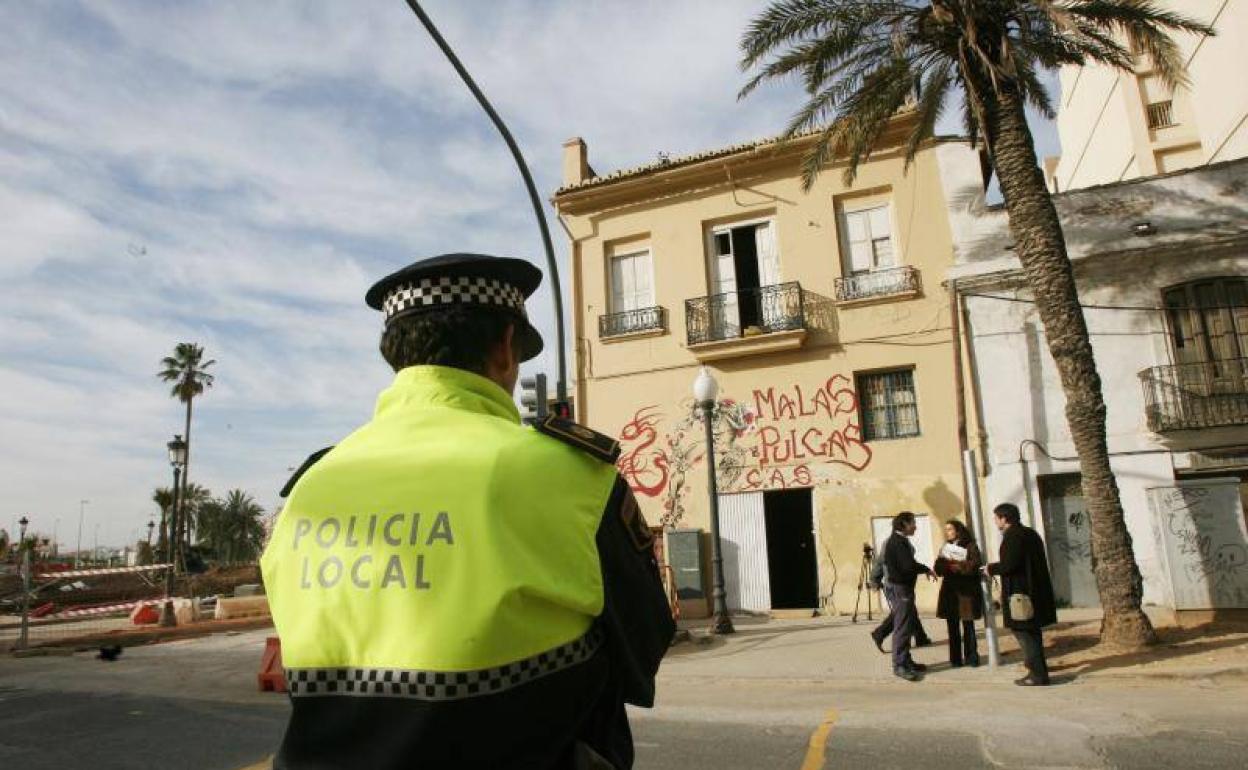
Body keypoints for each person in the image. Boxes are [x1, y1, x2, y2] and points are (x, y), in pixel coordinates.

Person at [260, 253, 676, 768]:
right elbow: (643, 645)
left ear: (396, 357)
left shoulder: (310, 488)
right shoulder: (574, 476)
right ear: (505, 348)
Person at [984, 502, 1057, 686]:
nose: (995, 521)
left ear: (1004, 518)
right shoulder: (1029, 533)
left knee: (1024, 631)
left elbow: (1010, 564)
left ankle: (1037, 674)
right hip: (1033, 591)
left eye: (996, 518)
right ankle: (1037, 669)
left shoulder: (1013, 536)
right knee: (1032, 632)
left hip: (1021, 594)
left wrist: (991, 568)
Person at [881, 511, 937, 681]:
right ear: (904, 524)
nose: (915, 526)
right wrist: (924, 569)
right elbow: (907, 566)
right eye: (913, 523)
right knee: (903, 628)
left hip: (903, 589)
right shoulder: (897, 542)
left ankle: (906, 660)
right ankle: (899, 665)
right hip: (901, 589)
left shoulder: (899, 541)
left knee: (907, 624)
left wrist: (925, 569)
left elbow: (909, 564)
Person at [933, 519, 982, 668]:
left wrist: (958, 566)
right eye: (946, 529)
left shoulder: (970, 545)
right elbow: (938, 567)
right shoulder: (945, 547)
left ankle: (972, 657)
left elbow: (975, 564)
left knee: (968, 625)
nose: (947, 532)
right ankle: (955, 659)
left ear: (958, 530)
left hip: (966, 591)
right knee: (952, 626)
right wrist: (947, 566)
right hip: (950, 591)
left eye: (949, 529)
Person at [868, 546, 933, 653]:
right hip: (896, 587)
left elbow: (911, 563)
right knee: (902, 612)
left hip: (902, 586)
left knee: (910, 610)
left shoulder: (902, 542)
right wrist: (874, 581)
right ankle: (879, 634)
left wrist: (926, 569)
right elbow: (880, 563)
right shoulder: (891, 543)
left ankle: (921, 637)